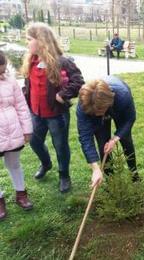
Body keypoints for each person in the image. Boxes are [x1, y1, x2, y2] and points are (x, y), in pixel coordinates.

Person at [22, 23, 84, 193]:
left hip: (56, 115)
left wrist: (63, 95)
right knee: (34, 141)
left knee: (60, 145)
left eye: (29, 39)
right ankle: (46, 163)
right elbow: (29, 86)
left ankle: (64, 175)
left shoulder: (61, 61)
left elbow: (78, 81)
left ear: (41, 41)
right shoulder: (31, 61)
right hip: (36, 113)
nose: (27, 43)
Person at [77, 75, 139, 188]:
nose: (98, 115)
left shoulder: (123, 96)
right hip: (97, 108)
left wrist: (115, 138)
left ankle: (134, 175)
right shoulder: (84, 102)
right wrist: (95, 168)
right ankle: (111, 183)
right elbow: (85, 136)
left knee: (126, 140)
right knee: (103, 145)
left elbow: (130, 119)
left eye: (100, 112)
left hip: (117, 107)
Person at [0, 51, 33, 220]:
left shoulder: (11, 81)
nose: (1, 74)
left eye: (3, 71)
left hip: (13, 130)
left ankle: (21, 194)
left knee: (14, 163)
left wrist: (27, 129)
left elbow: (21, 105)